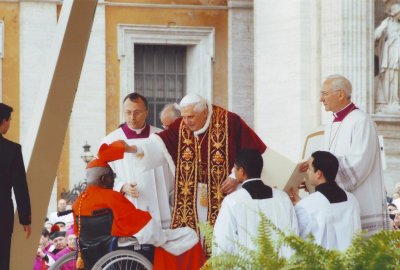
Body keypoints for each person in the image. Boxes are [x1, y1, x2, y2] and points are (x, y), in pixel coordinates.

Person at [122, 93, 267, 232]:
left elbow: (251, 151)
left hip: (223, 193)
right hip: (191, 196)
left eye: (191, 117)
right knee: (193, 236)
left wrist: (235, 177)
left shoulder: (229, 121)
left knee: (221, 233)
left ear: (204, 112)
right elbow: (160, 144)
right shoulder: (181, 125)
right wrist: (133, 148)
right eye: (184, 117)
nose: (186, 122)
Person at [72, 141, 205, 270]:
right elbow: (141, 226)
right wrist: (158, 233)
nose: (113, 181)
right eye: (112, 177)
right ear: (103, 179)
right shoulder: (111, 197)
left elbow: (80, 233)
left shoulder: (79, 201)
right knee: (189, 235)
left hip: (92, 251)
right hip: (120, 248)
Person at [316, 74, 388, 234]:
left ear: (340, 94)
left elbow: (360, 162)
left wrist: (323, 180)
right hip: (337, 203)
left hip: (361, 201)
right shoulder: (330, 125)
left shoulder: (361, 121)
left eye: (325, 93)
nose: (321, 99)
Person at [102, 93, 173, 229]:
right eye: (128, 112)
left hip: (161, 207)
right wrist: (121, 186)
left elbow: (172, 171)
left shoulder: (160, 137)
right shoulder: (110, 141)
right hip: (131, 204)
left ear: (146, 112)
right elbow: (102, 175)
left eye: (137, 112)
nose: (132, 118)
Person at [213, 149, 298, 257]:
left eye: (235, 168)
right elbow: (294, 236)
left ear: (242, 171)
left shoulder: (233, 201)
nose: (234, 171)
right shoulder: (282, 198)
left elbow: (222, 243)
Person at [290, 151, 361, 251]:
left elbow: (296, 240)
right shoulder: (352, 200)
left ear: (318, 174)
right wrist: (302, 204)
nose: (307, 172)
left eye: (309, 168)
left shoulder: (307, 205)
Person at [0, 102, 31, 269]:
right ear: (3, 121)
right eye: (9, 120)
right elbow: (20, 186)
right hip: (2, 213)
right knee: (2, 258)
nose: (9, 124)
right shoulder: (12, 150)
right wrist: (25, 218)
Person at [375, 3, 400, 110]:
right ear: (395, 13)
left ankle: (394, 100)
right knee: (388, 76)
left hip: (398, 54)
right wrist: (382, 26)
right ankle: (386, 101)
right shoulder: (387, 24)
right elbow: (375, 35)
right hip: (389, 53)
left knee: (396, 77)